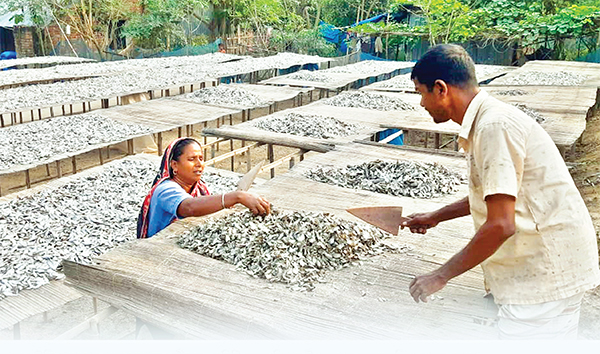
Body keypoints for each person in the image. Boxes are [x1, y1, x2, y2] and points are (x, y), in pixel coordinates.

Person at [401, 44, 600, 339]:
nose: (421, 104)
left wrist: (440, 275)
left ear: (441, 89)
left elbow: (501, 225)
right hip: (542, 267)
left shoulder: (494, 127)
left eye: (421, 93)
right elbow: (496, 192)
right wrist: (436, 216)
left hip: (545, 272)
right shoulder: (487, 120)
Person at [137, 137, 270, 239]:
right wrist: (237, 196)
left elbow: (207, 207)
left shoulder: (199, 188)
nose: (199, 164)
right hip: (159, 251)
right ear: (174, 165)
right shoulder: (165, 190)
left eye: (201, 158)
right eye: (192, 159)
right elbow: (189, 207)